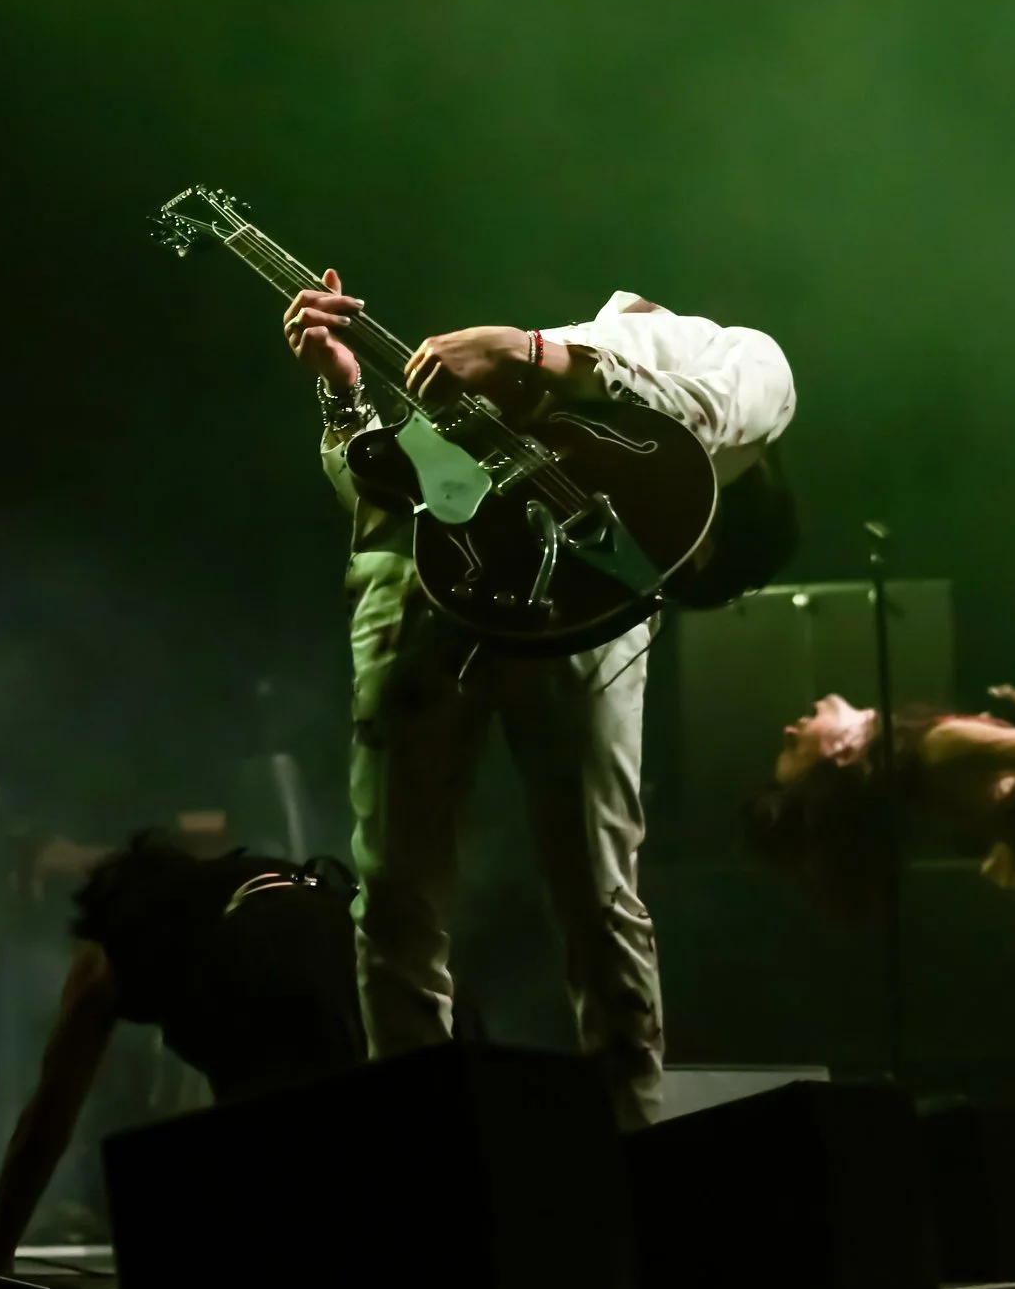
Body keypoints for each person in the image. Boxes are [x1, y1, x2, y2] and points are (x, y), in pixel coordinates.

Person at [283, 274, 796, 1129]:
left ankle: (632, 1141)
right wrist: (346, 394)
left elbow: (692, 422)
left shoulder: (556, 376)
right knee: (397, 891)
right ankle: (422, 1148)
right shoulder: (741, 356)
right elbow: (389, 488)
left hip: (577, 621)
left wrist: (524, 355)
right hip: (419, 592)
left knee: (595, 890)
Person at [746, 691, 1015, 1122]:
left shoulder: (924, 753)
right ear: (843, 752)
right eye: (794, 747)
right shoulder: (937, 746)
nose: (790, 729)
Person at [0, 836, 367, 1271]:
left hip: (272, 956)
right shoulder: (225, 891)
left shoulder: (111, 942)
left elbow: (49, 1114)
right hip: (344, 933)